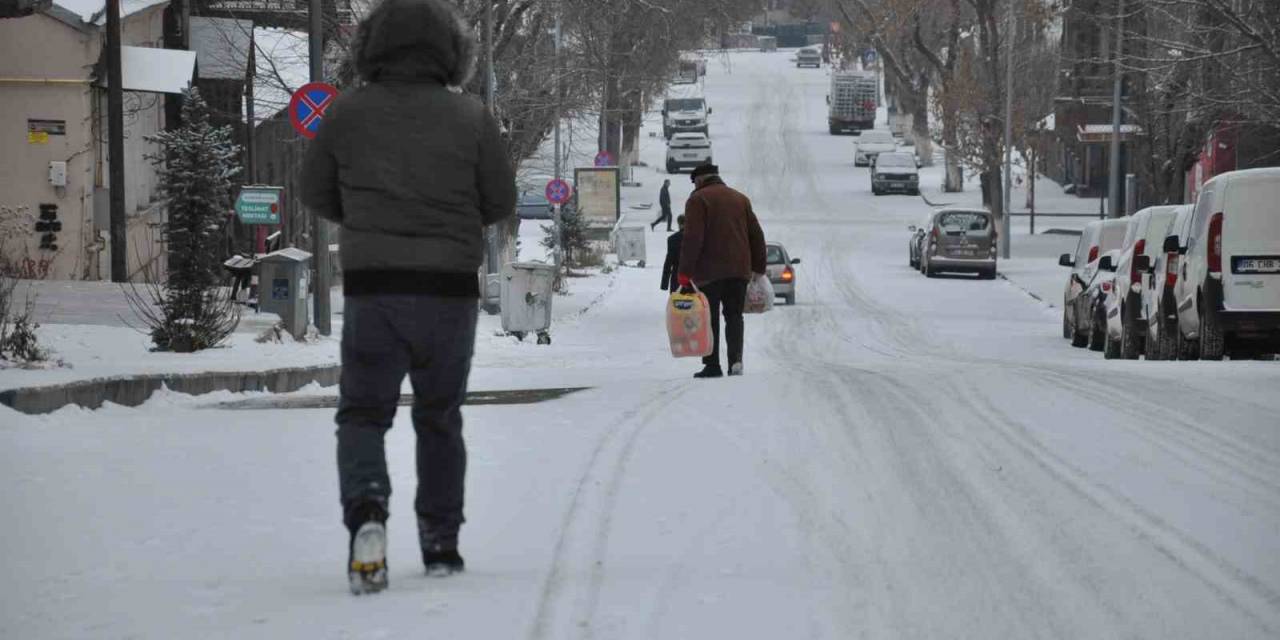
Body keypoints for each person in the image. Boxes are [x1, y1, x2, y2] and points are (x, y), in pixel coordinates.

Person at [299, 0, 516, 595]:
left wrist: (365, 219)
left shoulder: (346, 113)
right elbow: (498, 201)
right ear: (452, 53)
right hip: (448, 294)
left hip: (375, 292)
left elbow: (313, 189)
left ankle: (367, 510)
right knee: (439, 417)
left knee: (364, 413)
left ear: (370, 49)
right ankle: (441, 542)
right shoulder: (471, 117)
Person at [677, 164, 766, 379]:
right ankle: (736, 361)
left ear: (698, 181)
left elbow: (692, 239)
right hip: (739, 271)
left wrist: (684, 273)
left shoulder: (698, 200)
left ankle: (712, 365)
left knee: (710, 318)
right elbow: (756, 235)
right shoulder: (740, 199)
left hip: (710, 272)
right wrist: (759, 267)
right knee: (734, 316)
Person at [660, 215, 686, 292]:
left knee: (676, 302)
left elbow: (668, 262)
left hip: (677, 279)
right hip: (695, 280)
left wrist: (664, 284)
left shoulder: (673, 239)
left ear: (679, 224)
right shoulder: (697, 238)